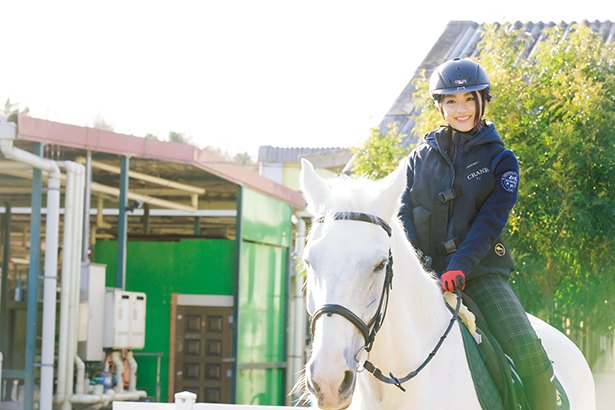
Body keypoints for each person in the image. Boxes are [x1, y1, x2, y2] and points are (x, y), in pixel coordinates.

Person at [398, 57, 556, 409]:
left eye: (469, 99)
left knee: (526, 347)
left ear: (482, 102)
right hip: (423, 277)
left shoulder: (502, 161)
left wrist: (461, 265)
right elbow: (403, 215)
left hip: (479, 276)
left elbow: (489, 223)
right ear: (440, 106)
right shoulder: (417, 159)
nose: (461, 109)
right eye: (451, 101)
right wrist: (417, 266)